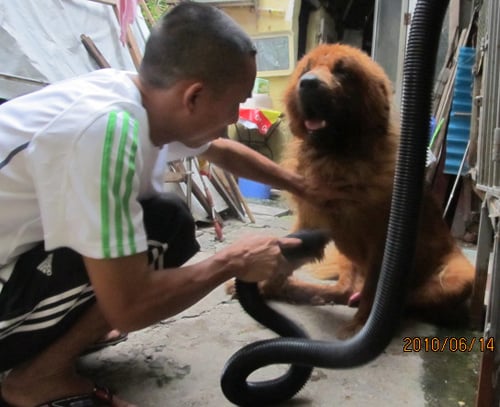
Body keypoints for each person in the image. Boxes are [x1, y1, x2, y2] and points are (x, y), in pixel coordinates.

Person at [0, 3, 324, 406]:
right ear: (194, 96)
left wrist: (302, 186)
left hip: (14, 262)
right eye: (236, 102)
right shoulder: (106, 131)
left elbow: (221, 149)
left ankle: (68, 335)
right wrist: (229, 262)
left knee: (166, 222)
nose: (234, 118)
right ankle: (36, 379)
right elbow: (130, 307)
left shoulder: (136, 97)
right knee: (131, 280)